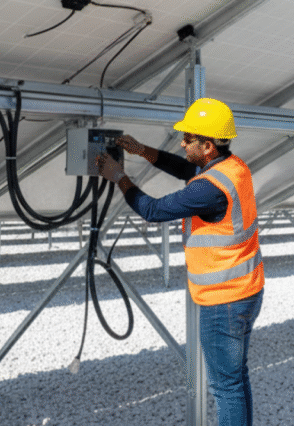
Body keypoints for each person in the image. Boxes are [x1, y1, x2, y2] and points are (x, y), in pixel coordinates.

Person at [96, 97, 264, 426]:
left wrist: (119, 177)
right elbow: (185, 168)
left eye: (188, 138)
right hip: (244, 290)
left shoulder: (209, 189)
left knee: (225, 386)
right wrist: (142, 149)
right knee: (235, 379)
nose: (182, 141)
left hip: (224, 300)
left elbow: (153, 210)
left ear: (208, 145)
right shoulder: (232, 167)